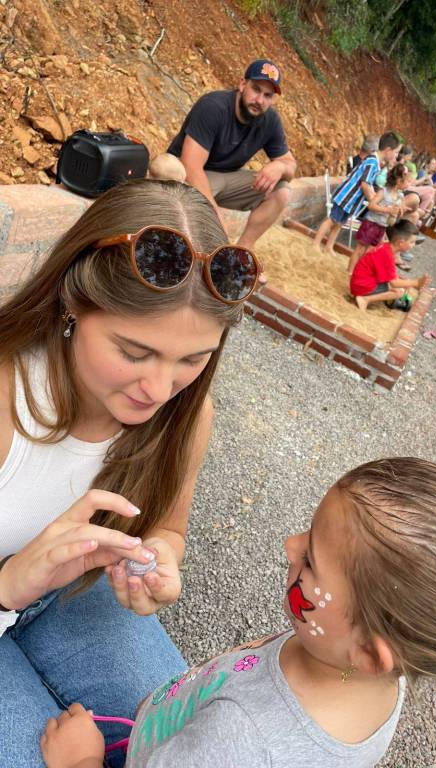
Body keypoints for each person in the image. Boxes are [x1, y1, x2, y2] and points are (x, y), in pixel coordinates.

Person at [40, 457, 436, 768]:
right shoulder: (368, 669)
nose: (290, 545)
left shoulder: (242, 740)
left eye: (310, 560)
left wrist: (81, 760)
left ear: (369, 653)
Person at [0, 178, 262, 766]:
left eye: (193, 359)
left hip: (75, 593)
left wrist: (161, 558)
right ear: (71, 301)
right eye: (134, 352)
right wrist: (10, 585)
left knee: (183, 740)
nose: (160, 389)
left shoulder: (187, 417)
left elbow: (168, 527)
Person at [167, 59, 297, 250]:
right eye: (256, 89)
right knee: (168, 170)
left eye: (267, 95)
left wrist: (280, 166)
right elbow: (191, 166)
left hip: (226, 178)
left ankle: (241, 252)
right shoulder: (213, 106)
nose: (260, 100)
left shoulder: (270, 120)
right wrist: (215, 215)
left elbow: (290, 165)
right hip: (186, 176)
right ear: (242, 84)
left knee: (281, 191)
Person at [313, 131, 402, 256]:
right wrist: (373, 200)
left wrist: (375, 198)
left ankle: (329, 246)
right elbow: (365, 185)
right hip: (346, 197)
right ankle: (316, 243)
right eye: (396, 152)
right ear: (388, 150)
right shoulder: (372, 162)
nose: (396, 156)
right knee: (331, 220)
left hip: (352, 201)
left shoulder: (375, 163)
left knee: (339, 223)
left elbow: (369, 185)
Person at [350, 220, 430, 311]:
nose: (413, 245)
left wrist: (406, 282)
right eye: (411, 242)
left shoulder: (386, 247)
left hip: (359, 282)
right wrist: (416, 283)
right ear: (400, 243)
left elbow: (389, 275)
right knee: (399, 291)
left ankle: (365, 297)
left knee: (400, 284)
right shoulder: (387, 256)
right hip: (361, 287)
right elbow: (394, 283)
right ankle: (365, 299)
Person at [348, 163, 410, 275]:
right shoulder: (383, 192)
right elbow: (371, 205)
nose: (409, 183)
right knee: (360, 249)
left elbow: (395, 211)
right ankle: (350, 272)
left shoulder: (400, 196)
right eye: (407, 180)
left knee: (369, 252)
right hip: (371, 223)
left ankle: (358, 272)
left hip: (382, 226)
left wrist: (400, 210)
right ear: (398, 181)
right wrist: (387, 210)